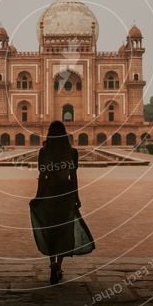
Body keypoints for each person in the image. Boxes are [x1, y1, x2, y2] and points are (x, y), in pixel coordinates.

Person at [29, 120, 95, 284]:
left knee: (51, 229)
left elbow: (42, 177)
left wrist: (38, 196)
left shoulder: (44, 152)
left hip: (49, 193)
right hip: (66, 193)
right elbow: (73, 177)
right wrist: (77, 197)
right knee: (64, 230)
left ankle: (52, 264)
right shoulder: (71, 152)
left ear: (49, 134)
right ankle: (58, 265)